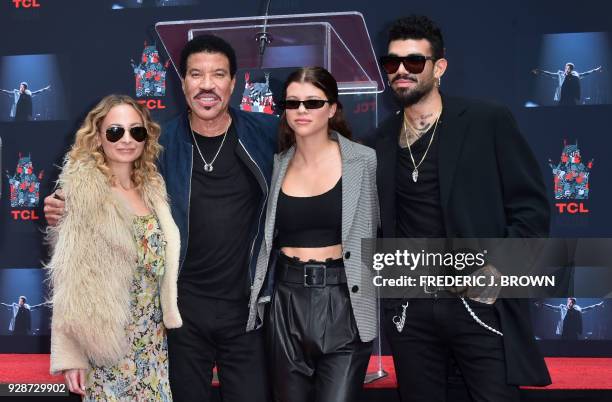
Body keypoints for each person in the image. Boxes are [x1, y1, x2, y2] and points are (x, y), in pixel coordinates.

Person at [44, 35, 277, 402]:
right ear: (182, 83)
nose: (207, 84)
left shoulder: (266, 134)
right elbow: (99, 184)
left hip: (245, 312)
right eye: (196, 74)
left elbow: (316, 153)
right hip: (178, 318)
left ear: (234, 82)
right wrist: (65, 200)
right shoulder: (161, 146)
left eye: (218, 74)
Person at [373, 15, 551, 402]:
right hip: (410, 310)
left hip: (477, 305)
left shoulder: (486, 121)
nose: (401, 71)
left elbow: (531, 209)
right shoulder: (378, 141)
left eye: (414, 62)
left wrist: (499, 271)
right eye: (392, 63)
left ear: (439, 68)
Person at [251, 67, 378, 402]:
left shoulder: (364, 162)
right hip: (286, 301)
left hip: (344, 299)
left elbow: (382, 228)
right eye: (293, 103)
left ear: (332, 108)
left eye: (312, 102)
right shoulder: (275, 165)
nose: (302, 110)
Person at [46, 94, 182, 400]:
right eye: (115, 131)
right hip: (106, 345)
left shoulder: (153, 187)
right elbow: (69, 280)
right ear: (98, 137)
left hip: (152, 342)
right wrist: (72, 357)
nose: (126, 140)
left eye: (136, 131)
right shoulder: (81, 192)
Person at [532, 63, 602, 105]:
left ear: (572, 69)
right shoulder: (560, 74)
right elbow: (550, 74)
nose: (567, 69)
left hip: (571, 98)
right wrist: (540, 71)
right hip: (562, 98)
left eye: (569, 68)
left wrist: (595, 70)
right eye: (566, 68)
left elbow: (586, 73)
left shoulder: (575, 76)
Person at [537, 298, 604, 340]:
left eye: (571, 302)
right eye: (569, 301)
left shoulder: (577, 310)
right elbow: (552, 307)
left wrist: (597, 305)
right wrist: (543, 304)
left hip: (573, 331)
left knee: (573, 344)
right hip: (564, 331)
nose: (570, 303)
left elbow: (587, 308)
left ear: (574, 303)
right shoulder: (563, 308)